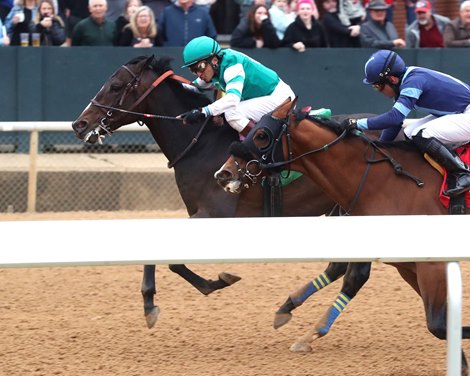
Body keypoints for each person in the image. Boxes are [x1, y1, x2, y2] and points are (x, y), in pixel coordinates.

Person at [347, 49, 470, 197]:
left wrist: (356, 123)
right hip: (462, 112)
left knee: (421, 133)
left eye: (378, 86)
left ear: (392, 79)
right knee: (410, 132)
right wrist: (380, 148)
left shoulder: (414, 81)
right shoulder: (404, 82)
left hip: (466, 112)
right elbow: (395, 125)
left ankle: (462, 172)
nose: (378, 91)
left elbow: (394, 117)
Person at [180, 36, 295, 137]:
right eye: (193, 70)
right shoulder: (213, 69)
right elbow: (194, 87)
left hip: (281, 100)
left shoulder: (232, 65)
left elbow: (232, 99)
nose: (199, 74)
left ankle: (261, 149)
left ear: (214, 60)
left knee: (232, 112)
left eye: (200, 67)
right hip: (271, 98)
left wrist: (203, 111)